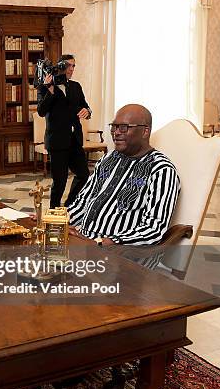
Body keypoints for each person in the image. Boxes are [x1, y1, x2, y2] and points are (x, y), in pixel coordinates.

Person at [67, 104, 180, 246]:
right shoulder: (107, 159)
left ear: (145, 131)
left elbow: (154, 229)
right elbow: (82, 203)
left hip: (123, 255)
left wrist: (103, 243)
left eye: (124, 127)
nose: (116, 133)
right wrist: (56, 220)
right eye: (114, 127)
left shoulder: (161, 170)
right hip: (84, 241)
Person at [37, 54, 91, 209]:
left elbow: (85, 106)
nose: (71, 69)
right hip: (57, 141)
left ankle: (69, 206)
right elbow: (41, 111)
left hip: (75, 140)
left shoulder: (76, 86)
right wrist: (50, 91)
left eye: (73, 66)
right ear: (59, 67)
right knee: (59, 182)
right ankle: (54, 213)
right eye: (68, 65)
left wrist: (87, 111)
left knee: (83, 175)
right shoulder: (45, 86)